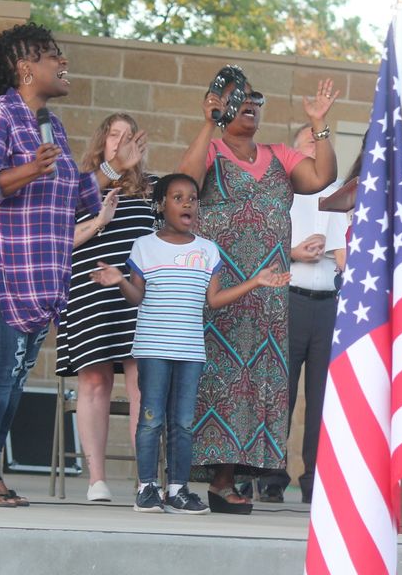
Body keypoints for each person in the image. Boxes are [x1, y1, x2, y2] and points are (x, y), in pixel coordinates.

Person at [0, 22, 143, 507]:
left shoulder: (50, 123)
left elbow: (75, 193)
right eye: (53, 55)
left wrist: (115, 169)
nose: (63, 62)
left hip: (36, 266)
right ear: (25, 67)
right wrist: (30, 167)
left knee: (13, 373)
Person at [179, 67, 338, 514]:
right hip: (219, 290)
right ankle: (197, 478)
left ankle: (231, 479)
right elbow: (186, 185)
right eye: (235, 98)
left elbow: (322, 176)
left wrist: (319, 124)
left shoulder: (280, 155)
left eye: (253, 97)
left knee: (253, 385)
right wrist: (208, 123)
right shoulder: (210, 148)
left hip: (267, 297)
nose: (247, 103)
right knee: (215, 381)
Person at [90, 174, 291, 514]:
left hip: (190, 352)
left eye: (193, 198)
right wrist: (120, 281)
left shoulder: (207, 250)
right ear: (161, 205)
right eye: (178, 197)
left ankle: (178, 488)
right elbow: (137, 296)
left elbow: (213, 300)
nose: (187, 203)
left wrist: (255, 282)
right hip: (153, 349)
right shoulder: (145, 246)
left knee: (183, 422)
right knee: (152, 418)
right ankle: (147, 488)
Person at [55, 113, 157, 502]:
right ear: (102, 141)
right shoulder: (78, 187)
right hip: (89, 292)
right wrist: (100, 220)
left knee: (140, 384)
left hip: (135, 294)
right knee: (95, 381)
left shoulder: (152, 188)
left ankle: (145, 478)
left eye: (129, 136)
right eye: (114, 135)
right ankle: (96, 478)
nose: (121, 141)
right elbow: (59, 242)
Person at [255, 125, 347, 504]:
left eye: (321, 139)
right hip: (289, 296)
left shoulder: (341, 190)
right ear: (293, 150)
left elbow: (346, 247)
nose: (315, 144)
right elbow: (259, 239)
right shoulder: (283, 188)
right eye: (309, 139)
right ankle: (272, 475)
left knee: (323, 397)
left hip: (328, 300)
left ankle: (316, 479)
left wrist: (332, 250)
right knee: (282, 392)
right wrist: (293, 252)